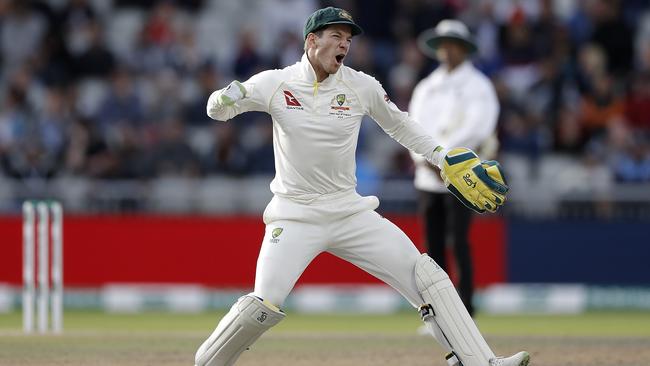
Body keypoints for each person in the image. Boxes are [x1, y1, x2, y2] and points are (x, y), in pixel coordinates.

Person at [194, 7, 528, 366]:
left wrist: (442, 156)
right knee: (263, 303)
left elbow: (399, 124)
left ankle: (481, 362)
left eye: (349, 39)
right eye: (336, 36)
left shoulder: (361, 85)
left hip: (350, 213)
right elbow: (219, 109)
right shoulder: (277, 82)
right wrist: (222, 98)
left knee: (425, 274)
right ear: (312, 40)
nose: (345, 45)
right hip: (295, 217)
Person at [410, 19, 500, 317]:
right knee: (432, 249)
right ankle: (441, 313)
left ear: (464, 48)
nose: (447, 51)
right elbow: (410, 127)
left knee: (458, 242)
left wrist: (444, 159)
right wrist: (426, 158)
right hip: (426, 176)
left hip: (462, 178)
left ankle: (467, 310)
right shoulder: (427, 87)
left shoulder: (478, 86)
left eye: (452, 45)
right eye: (442, 45)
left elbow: (479, 126)